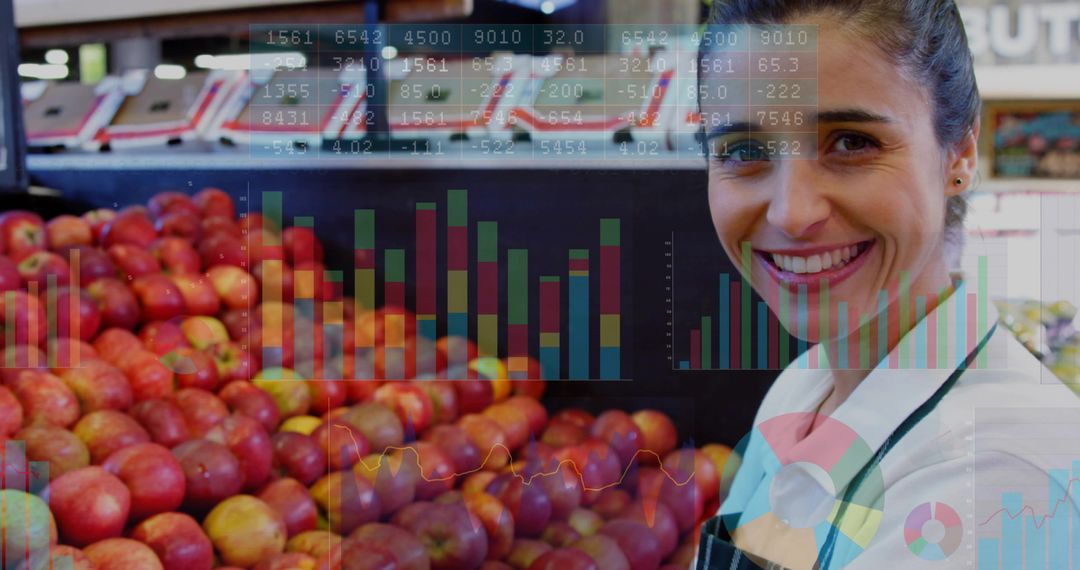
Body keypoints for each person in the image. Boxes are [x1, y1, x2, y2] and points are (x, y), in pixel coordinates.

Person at [694, 1, 1080, 569]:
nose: (791, 212)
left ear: (960, 153)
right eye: (744, 151)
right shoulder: (807, 385)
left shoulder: (1001, 479)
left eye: (851, 142)